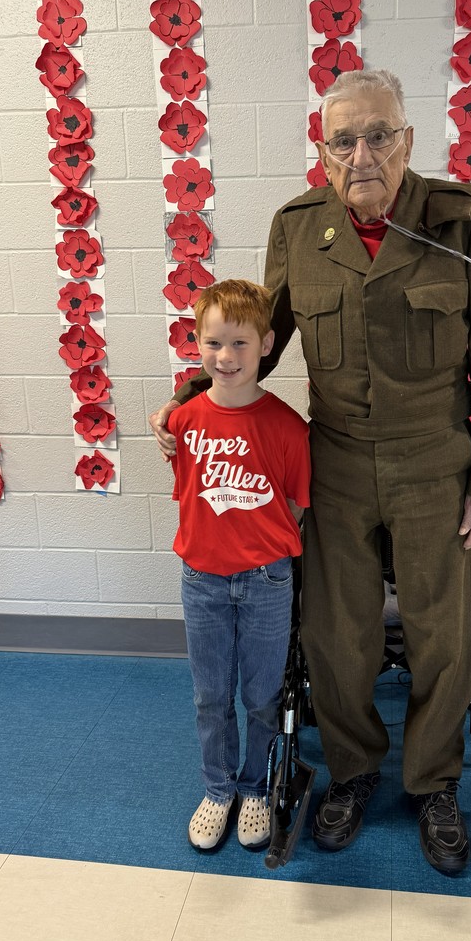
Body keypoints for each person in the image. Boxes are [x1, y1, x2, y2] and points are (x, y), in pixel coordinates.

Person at [150, 69, 471, 875]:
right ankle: (351, 773)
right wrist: (185, 399)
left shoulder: (460, 217)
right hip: (339, 461)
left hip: (435, 464)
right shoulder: (299, 226)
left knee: (446, 635)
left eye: (377, 134)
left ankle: (435, 781)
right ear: (324, 150)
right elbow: (256, 334)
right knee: (334, 635)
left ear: (407, 139)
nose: (361, 154)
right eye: (342, 139)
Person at [167, 279, 311, 852]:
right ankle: (217, 787)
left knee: (260, 696)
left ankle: (254, 786)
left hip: (267, 580)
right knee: (209, 694)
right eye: (213, 343)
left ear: (267, 344)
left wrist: (259, 547)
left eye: (240, 344)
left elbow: (296, 505)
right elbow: (188, 494)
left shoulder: (286, 427)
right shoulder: (182, 423)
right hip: (201, 579)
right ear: (198, 345)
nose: (225, 358)